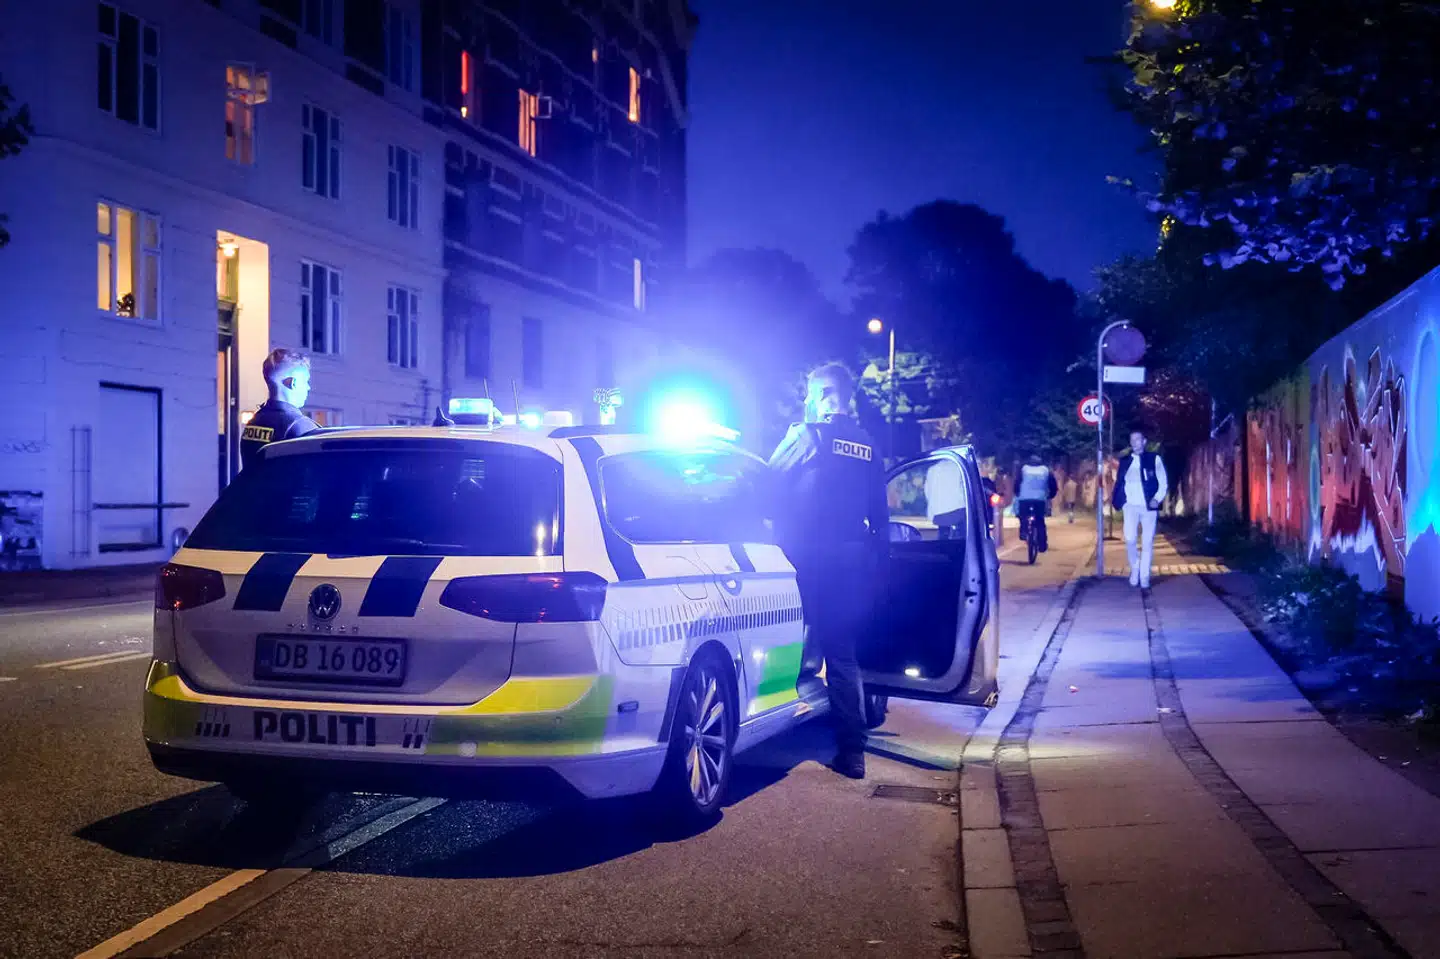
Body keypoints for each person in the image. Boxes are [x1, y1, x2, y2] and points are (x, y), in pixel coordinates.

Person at [769, 362, 889, 780]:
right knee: (842, 656)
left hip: (804, 562)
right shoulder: (868, 444)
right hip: (851, 563)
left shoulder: (806, 436)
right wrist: (879, 570)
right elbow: (881, 518)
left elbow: (764, 483)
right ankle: (853, 753)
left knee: (788, 636)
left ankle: (774, 723)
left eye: (809, 394)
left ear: (821, 396)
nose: (806, 401)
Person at [240, 348, 320, 471]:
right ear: (293, 383)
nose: (308, 388)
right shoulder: (300, 427)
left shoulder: (254, 422)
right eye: (306, 381)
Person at [1113, 430, 1169, 588]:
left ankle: (1144, 576)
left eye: (1138, 439)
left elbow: (1163, 482)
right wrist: (1120, 501)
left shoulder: (1154, 459)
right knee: (1130, 539)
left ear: (1144, 442)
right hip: (1130, 506)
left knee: (1147, 542)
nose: (1135, 442)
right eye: (1132, 440)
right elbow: (1119, 482)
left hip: (1148, 507)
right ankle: (1135, 568)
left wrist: (1156, 499)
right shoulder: (1125, 461)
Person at [1014, 454, 1058, 553]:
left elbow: (1017, 483)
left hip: (1024, 498)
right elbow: (1053, 486)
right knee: (1040, 522)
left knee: (1023, 516)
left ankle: (1024, 532)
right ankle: (1042, 545)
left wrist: (1017, 493)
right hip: (1040, 499)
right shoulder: (1045, 470)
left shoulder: (1024, 469)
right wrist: (1050, 496)